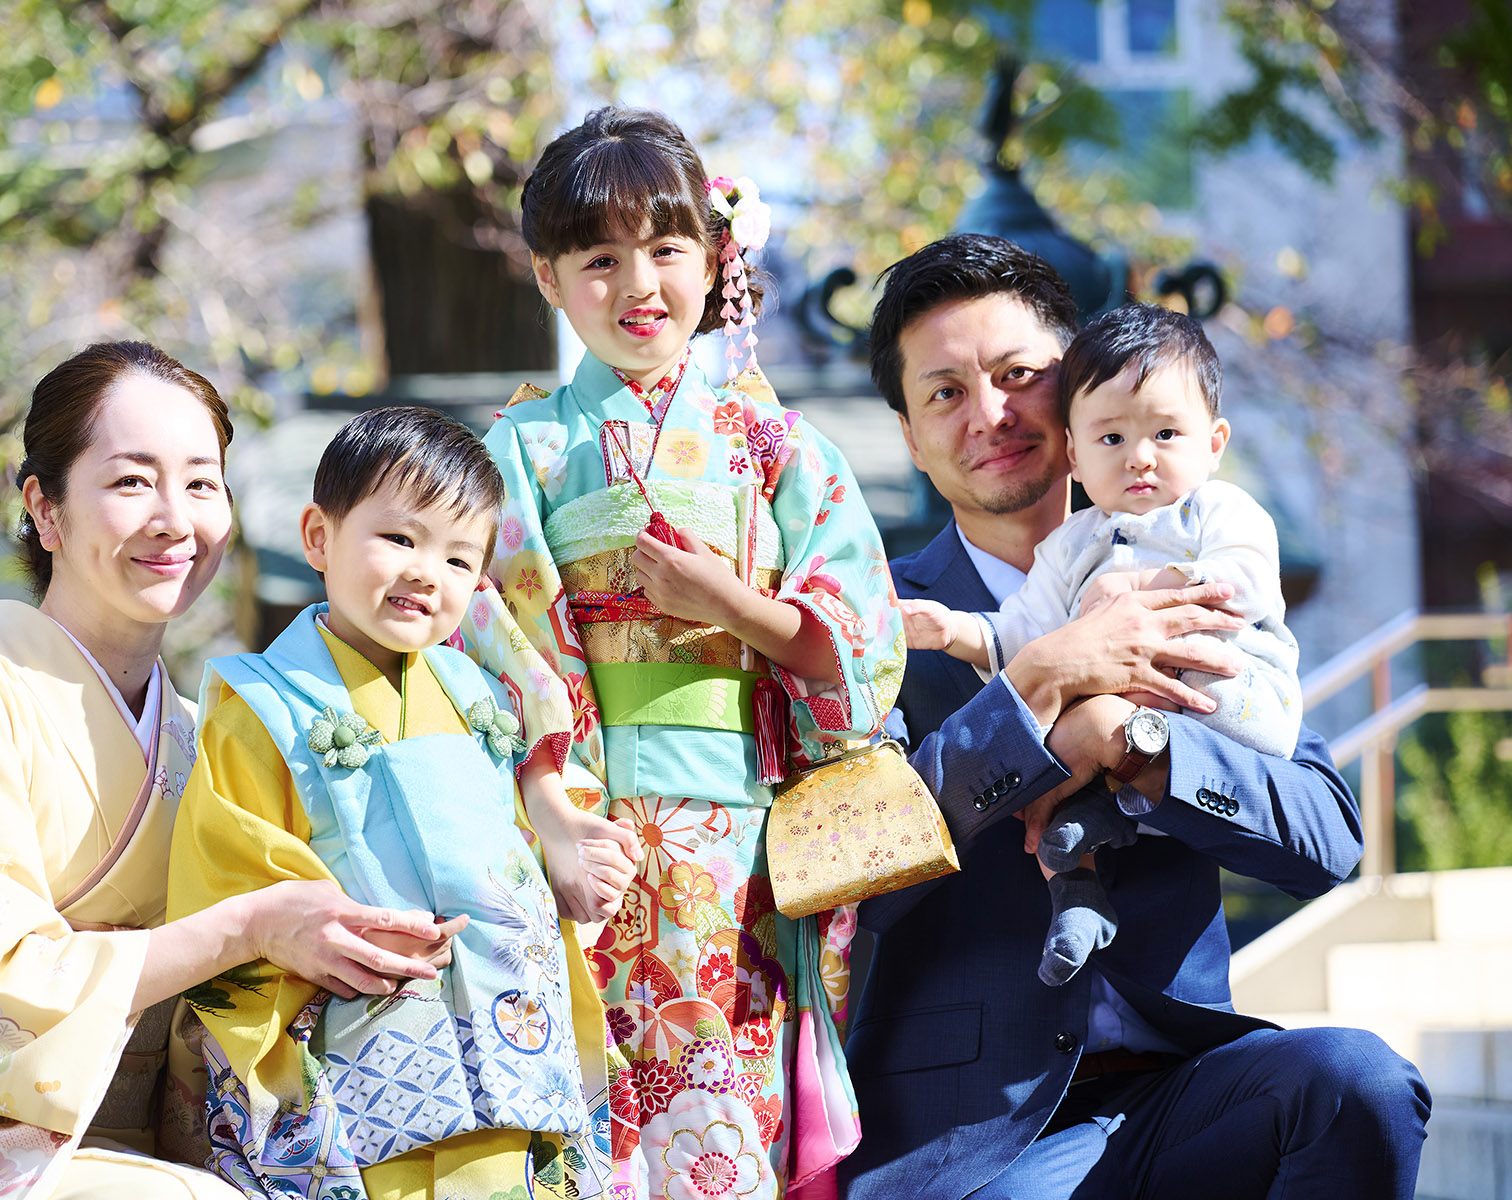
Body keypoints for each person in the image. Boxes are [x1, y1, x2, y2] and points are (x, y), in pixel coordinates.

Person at [0, 342, 454, 1200]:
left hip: (110, 1162)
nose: (176, 519)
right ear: (45, 511)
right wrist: (246, 929)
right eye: (132, 482)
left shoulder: (200, 734)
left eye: (203, 483)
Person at [840, 235, 1430, 1200]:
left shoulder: (1193, 564)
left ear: (1074, 395)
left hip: (1184, 1087)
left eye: (1018, 374)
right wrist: (1036, 684)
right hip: (980, 1131)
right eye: (945, 392)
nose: (989, 413)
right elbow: (851, 876)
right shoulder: (873, 625)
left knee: (1353, 1086)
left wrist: (1140, 743)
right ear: (909, 433)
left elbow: (1329, 834)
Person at [464, 106, 905, 1199]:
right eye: (598, 259)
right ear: (548, 280)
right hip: (579, 842)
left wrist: (739, 609)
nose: (638, 285)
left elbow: (866, 645)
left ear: (714, 260)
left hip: (742, 849)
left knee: (726, 1133)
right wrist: (554, 803)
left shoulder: (780, 447)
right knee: (580, 1130)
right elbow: (486, 633)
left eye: (666, 250)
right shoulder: (518, 449)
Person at [167, 405, 642, 1200]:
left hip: (514, 1071)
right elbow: (230, 888)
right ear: (318, 536)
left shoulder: (481, 696)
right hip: (365, 1087)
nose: (429, 573)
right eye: (400, 539)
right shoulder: (257, 707)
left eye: (461, 560)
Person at [901, 302, 1302, 986]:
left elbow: (1244, 583)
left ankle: (1113, 768)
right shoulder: (1073, 548)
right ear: (1077, 454)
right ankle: (1077, 895)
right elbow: (1020, 631)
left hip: (1233, 704)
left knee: (1357, 1079)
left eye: (1167, 433)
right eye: (1111, 439)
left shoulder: (1221, 513)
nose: (1141, 457)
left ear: (1214, 442)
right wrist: (955, 631)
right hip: (985, 1047)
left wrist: (1140, 601)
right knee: (1055, 789)